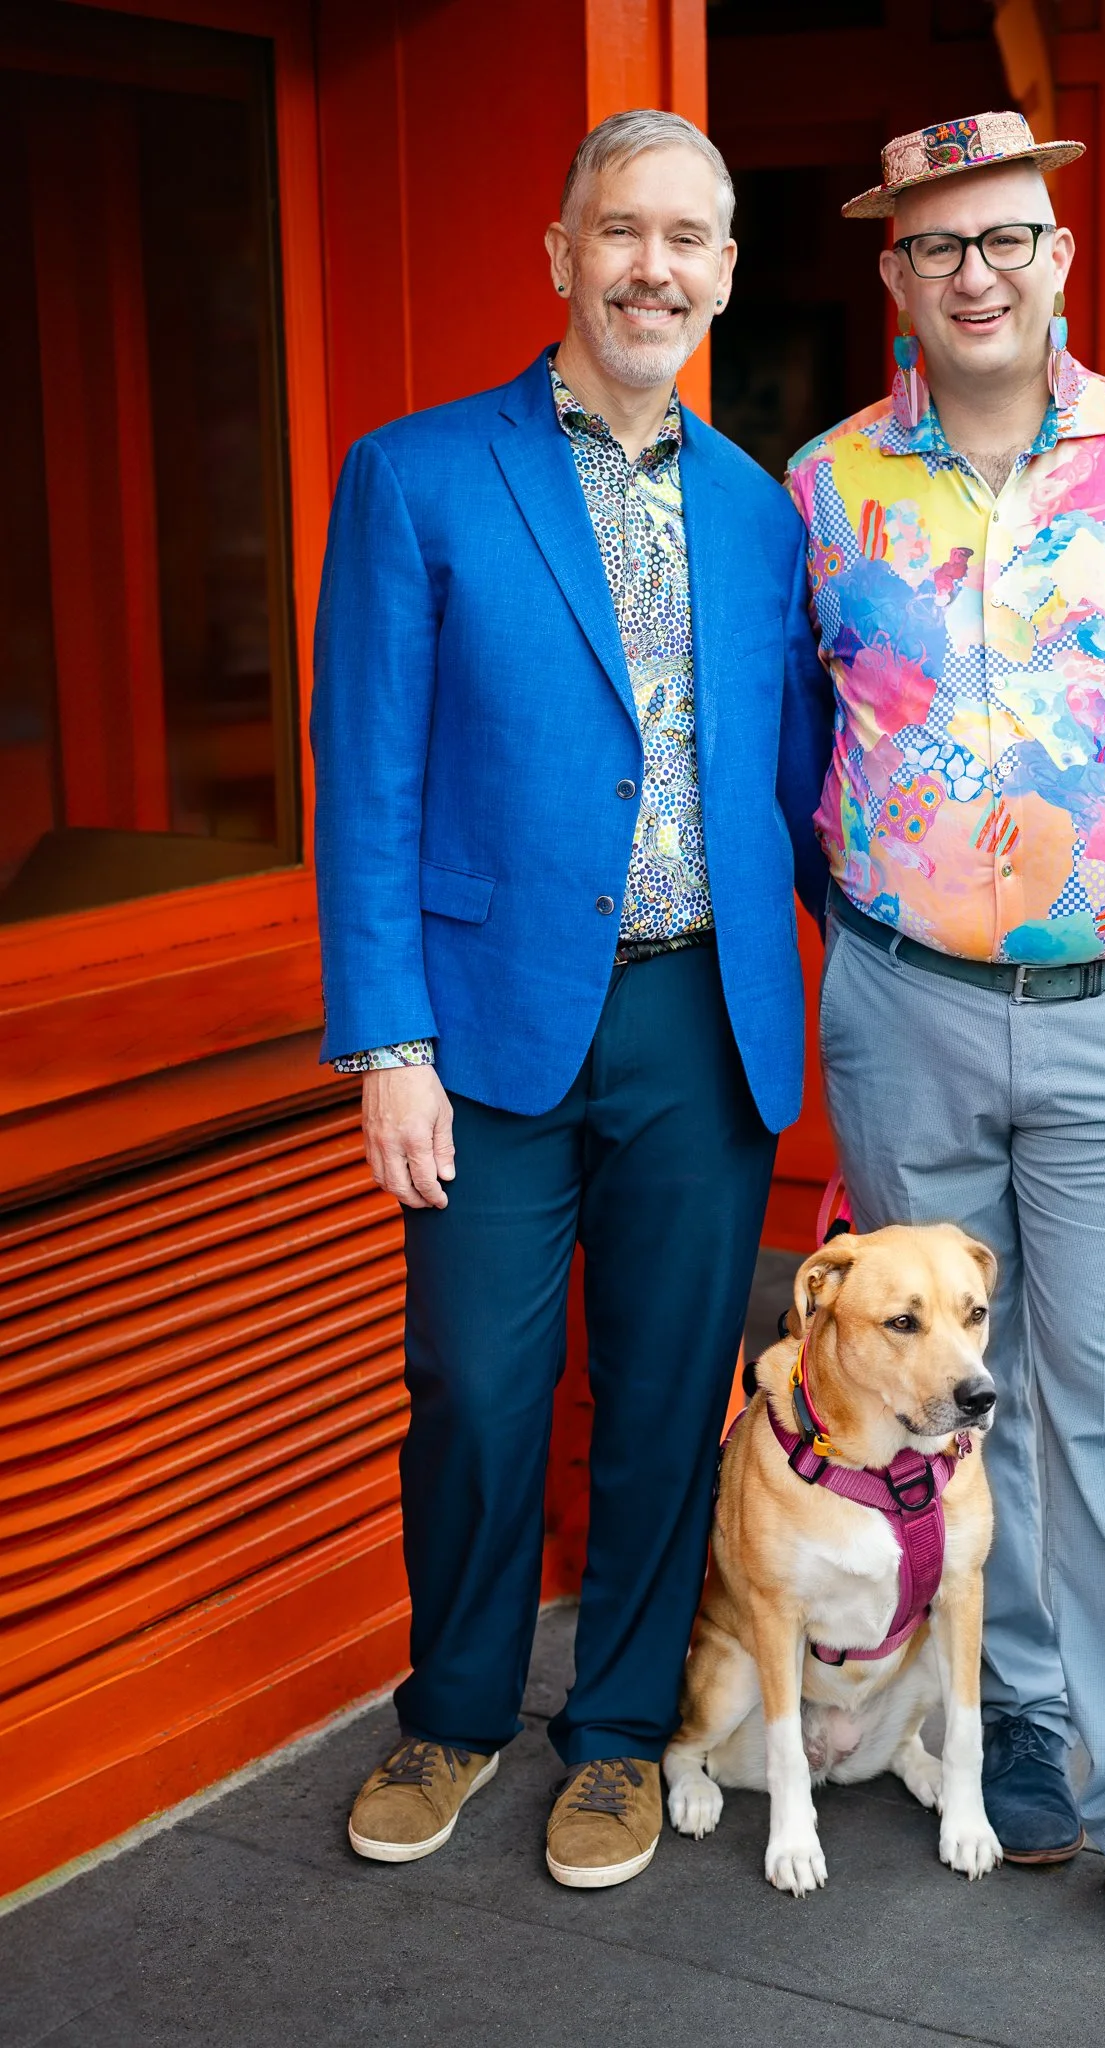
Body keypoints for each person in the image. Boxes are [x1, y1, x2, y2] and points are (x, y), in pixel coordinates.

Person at [786, 112, 1105, 1990]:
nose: (976, 273)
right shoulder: (826, 489)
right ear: (894, 279)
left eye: (1007, 237)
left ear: (1059, 251)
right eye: (937, 250)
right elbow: (789, 758)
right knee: (931, 1393)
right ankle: (997, 1722)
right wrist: (842, 971)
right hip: (904, 1013)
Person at [311, 109, 831, 1890]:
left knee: (670, 1386)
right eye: (622, 230)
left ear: (726, 273)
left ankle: (612, 1736)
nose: (653, 267)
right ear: (559, 251)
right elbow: (365, 778)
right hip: (484, 1025)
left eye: (689, 239)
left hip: (705, 1023)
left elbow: (799, 784)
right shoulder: (417, 476)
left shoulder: (764, 517)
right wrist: (389, 1041)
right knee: (474, 1383)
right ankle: (452, 1711)